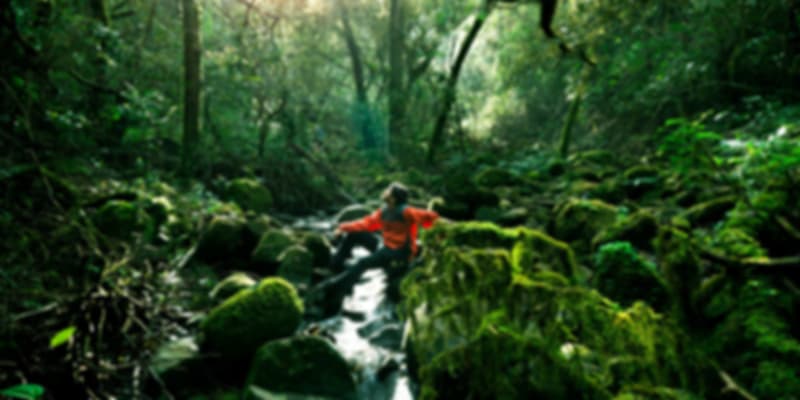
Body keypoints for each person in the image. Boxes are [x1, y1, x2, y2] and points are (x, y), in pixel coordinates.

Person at [316, 182, 439, 311]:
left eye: (388, 191)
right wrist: (343, 227)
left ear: (393, 197)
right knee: (355, 234)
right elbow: (366, 223)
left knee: (362, 263)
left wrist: (442, 235)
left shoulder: (407, 212)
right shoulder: (384, 211)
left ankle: (331, 289)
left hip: (398, 254)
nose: (385, 192)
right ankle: (336, 265)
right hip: (385, 247)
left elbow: (432, 218)